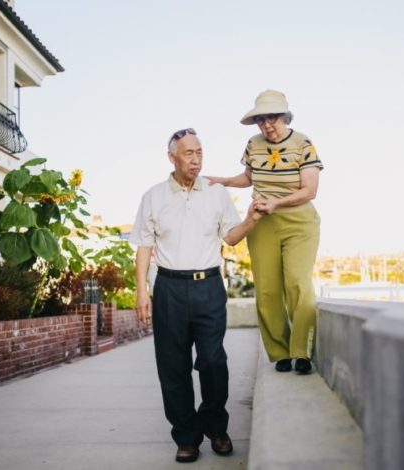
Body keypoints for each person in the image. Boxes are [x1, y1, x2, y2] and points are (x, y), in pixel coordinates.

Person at [132, 128, 262, 463]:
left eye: (200, 152)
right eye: (189, 153)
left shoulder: (217, 194)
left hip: (208, 287)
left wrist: (249, 220)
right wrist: (141, 293)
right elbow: (144, 247)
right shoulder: (153, 196)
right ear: (171, 156)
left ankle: (216, 427)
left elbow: (231, 238)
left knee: (213, 361)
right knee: (173, 368)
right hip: (169, 289)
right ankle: (186, 436)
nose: (196, 159)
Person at [206, 90, 323, 375]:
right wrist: (223, 181)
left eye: (272, 118)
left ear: (284, 116)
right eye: (261, 120)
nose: (267, 125)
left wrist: (277, 202)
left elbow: (310, 190)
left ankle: (301, 352)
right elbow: (249, 177)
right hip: (261, 223)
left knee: (297, 282)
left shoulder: (303, 143)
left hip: (299, 222)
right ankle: (280, 352)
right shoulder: (253, 145)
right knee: (268, 290)